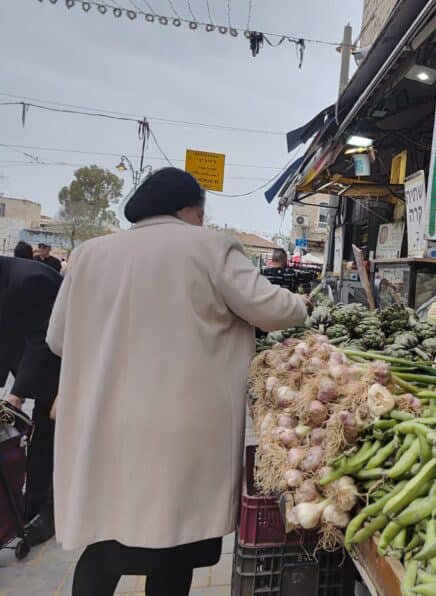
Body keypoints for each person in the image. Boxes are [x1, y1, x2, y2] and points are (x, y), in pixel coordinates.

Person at [46, 167, 310, 596]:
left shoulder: (90, 253)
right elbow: (274, 310)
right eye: (201, 214)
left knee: (106, 538)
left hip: (102, 422)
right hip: (178, 428)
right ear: (189, 210)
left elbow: (58, 340)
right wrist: (301, 302)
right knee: (174, 542)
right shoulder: (210, 247)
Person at [0, 256, 61, 545]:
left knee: (44, 434)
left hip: (63, 364)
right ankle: (29, 506)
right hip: (35, 365)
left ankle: (44, 510)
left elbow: (43, 341)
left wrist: (17, 393)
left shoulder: (29, 281)